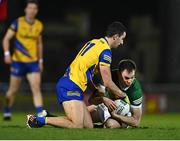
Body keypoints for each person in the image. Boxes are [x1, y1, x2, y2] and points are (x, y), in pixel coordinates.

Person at [27, 21, 127, 128]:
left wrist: (97, 93)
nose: (122, 42)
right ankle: (37, 120)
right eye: (122, 39)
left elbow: (85, 71)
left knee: (88, 126)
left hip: (73, 84)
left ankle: (48, 116)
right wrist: (124, 95)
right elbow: (108, 82)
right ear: (116, 37)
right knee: (77, 125)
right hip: (70, 85)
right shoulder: (105, 52)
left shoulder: (95, 42)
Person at [2, 0, 44, 120]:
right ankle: (7, 110)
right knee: (13, 90)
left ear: (37, 11)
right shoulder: (17, 23)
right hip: (18, 62)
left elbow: (39, 44)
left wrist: (41, 61)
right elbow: (6, 39)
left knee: (36, 87)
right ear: (25, 9)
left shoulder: (39, 25)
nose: (32, 10)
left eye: (34, 8)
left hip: (33, 62)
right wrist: (6, 53)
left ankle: (40, 114)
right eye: (30, 8)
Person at [88, 59, 143, 128]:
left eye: (132, 77)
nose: (129, 81)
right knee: (85, 113)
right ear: (118, 73)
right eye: (126, 78)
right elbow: (91, 100)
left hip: (124, 117)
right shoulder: (108, 78)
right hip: (105, 109)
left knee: (110, 124)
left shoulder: (135, 90)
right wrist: (103, 99)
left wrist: (115, 115)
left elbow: (136, 121)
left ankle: (98, 126)